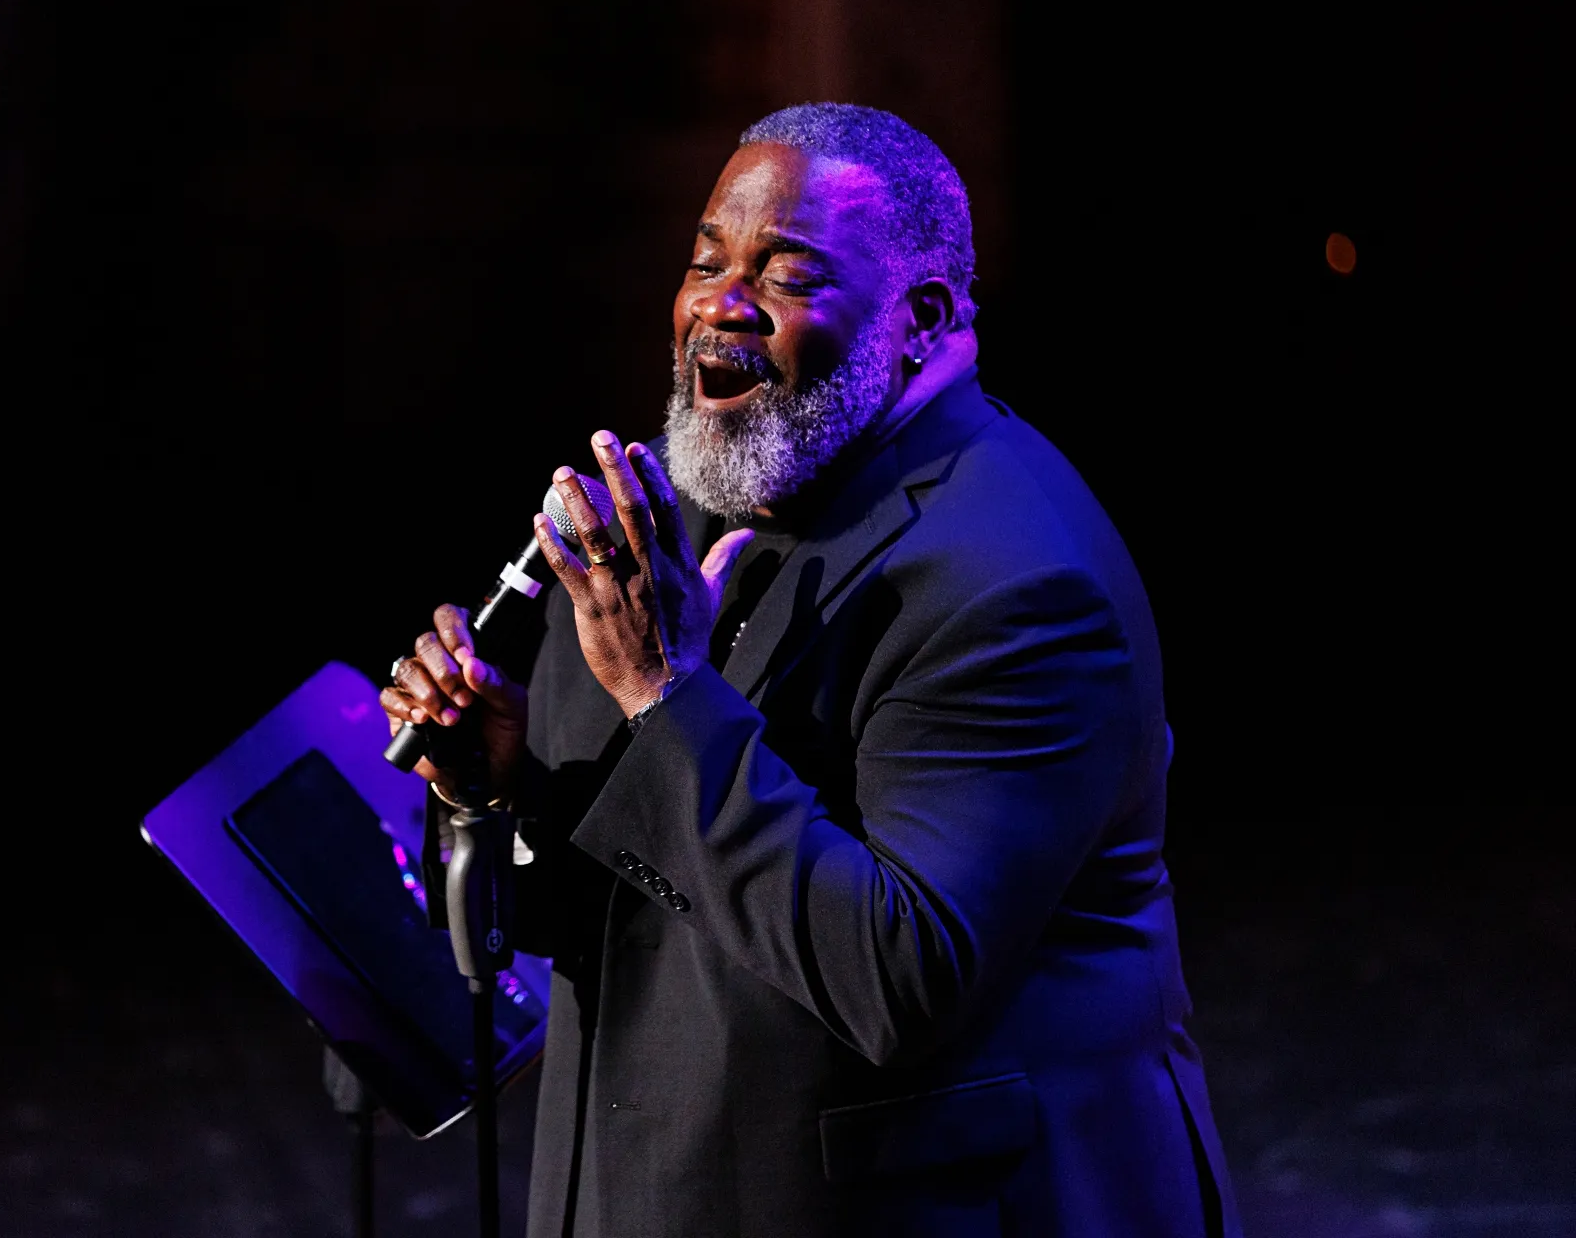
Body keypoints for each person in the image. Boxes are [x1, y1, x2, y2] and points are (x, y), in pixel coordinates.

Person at [382, 104, 1239, 1238]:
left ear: (919, 318)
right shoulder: (688, 497)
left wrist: (666, 698)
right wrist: (502, 790)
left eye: (785, 276)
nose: (720, 306)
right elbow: (634, 906)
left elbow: (902, 978)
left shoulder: (1018, 580)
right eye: (707, 261)